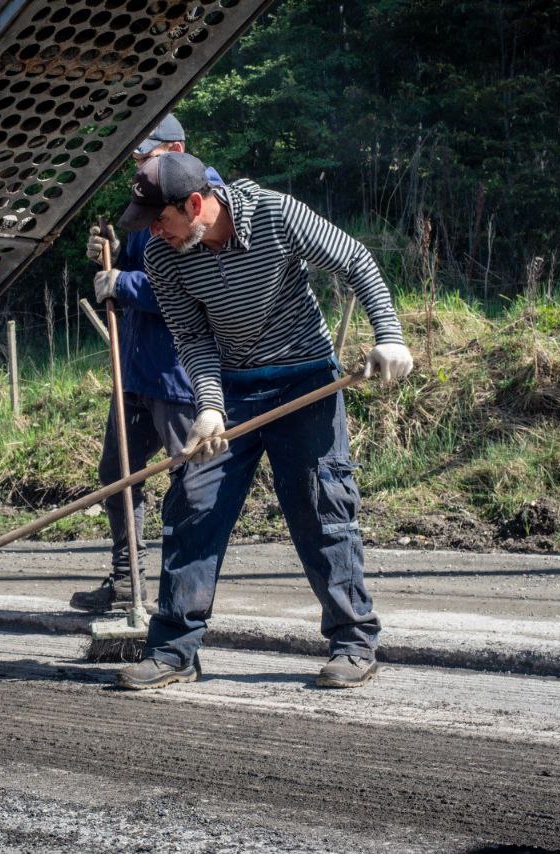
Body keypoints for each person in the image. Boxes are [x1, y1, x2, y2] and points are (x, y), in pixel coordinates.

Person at [113, 152, 413, 690]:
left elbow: (357, 262)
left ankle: (353, 641)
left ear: (197, 203)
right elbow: (194, 338)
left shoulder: (274, 214)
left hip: (307, 381)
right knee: (193, 505)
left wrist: (389, 336)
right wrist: (208, 404)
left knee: (321, 506)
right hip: (233, 389)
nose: (153, 231)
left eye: (160, 218)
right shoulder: (164, 256)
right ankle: (174, 650)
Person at [69, 115, 222, 613]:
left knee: (191, 483)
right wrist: (112, 256)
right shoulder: (150, 199)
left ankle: (184, 592)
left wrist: (123, 285)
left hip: (179, 371)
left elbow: (188, 286)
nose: (137, 166)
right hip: (137, 366)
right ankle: (124, 578)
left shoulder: (200, 202)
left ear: (175, 147)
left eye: (144, 156)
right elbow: (140, 264)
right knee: (118, 472)